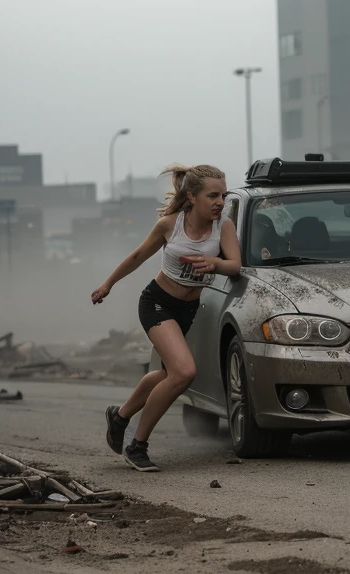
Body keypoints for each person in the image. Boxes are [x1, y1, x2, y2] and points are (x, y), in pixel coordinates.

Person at [91, 164, 241, 471]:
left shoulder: (223, 227)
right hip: (157, 303)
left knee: (165, 375)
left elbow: (235, 265)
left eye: (223, 195)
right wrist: (107, 284)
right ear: (192, 196)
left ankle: (119, 417)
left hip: (187, 311)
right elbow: (137, 256)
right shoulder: (170, 224)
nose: (219, 202)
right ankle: (137, 446)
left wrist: (215, 263)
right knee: (184, 373)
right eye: (212, 195)